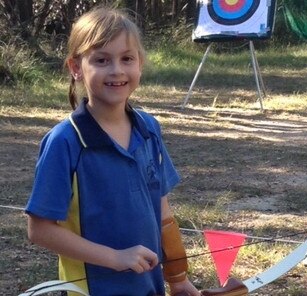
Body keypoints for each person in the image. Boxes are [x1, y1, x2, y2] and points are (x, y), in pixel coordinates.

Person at [25, 6, 200, 296]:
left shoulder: (149, 128)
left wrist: (178, 278)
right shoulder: (65, 141)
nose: (117, 70)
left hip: (149, 286)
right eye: (102, 60)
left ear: (140, 64)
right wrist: (115, 258)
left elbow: (163, 213)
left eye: (126, 59)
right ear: (76, 68)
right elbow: (40, 230)